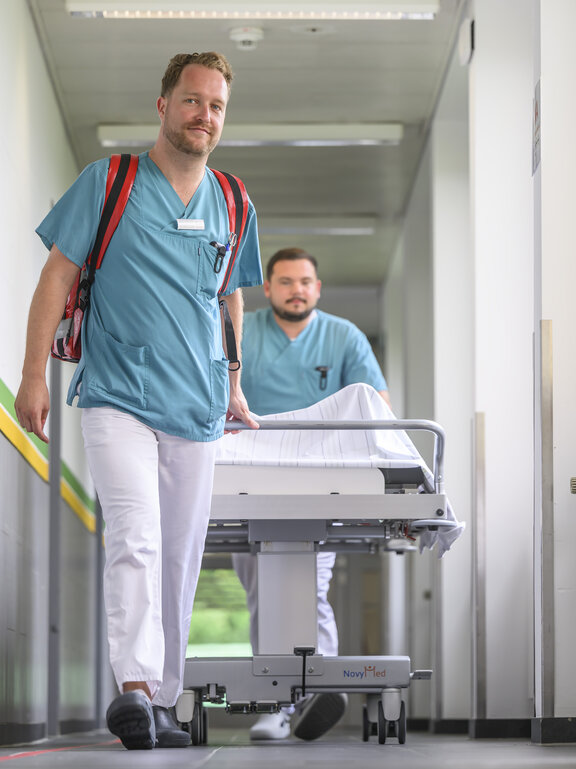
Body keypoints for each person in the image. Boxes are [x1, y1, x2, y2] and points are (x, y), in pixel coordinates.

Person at [14, 52, 262, 750]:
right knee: (136, 537)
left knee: (181, 556)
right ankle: (133, 688)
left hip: (197, 404)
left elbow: (230, 296)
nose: (203, 116)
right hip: (117, 395)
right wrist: (33, 373)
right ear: (163, 105)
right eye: (191, 101)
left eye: (215, 106)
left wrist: (235, 383)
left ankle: (165, 699)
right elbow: (56, 277)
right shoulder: (111, 180)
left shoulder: (234, 201)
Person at [232, 247, 390, 741]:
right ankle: (287, 697)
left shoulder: (342, 336)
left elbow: (376, 404)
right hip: (247, 474)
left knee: (307, 585)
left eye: (305, 281)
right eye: (285, 281)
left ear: (317, 289)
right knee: (263, 589)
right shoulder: (241, 330)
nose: (296, 289)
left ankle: (300, 695)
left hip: (321, 479)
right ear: (269, 288)